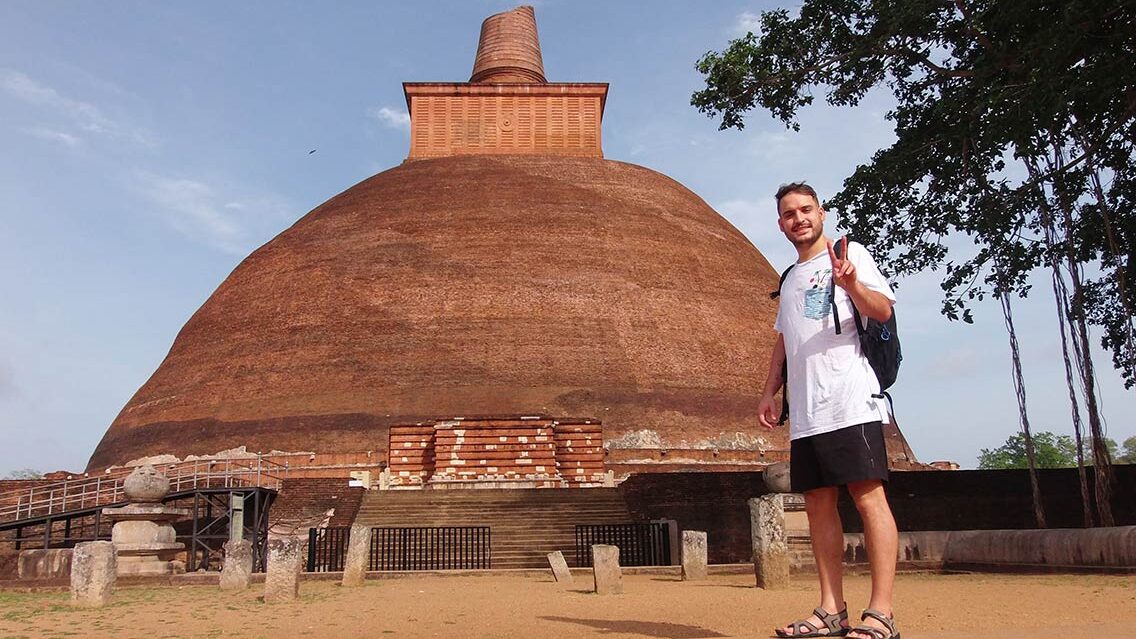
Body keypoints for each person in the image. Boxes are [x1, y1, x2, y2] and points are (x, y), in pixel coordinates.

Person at [758, 183, 900, 639]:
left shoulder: (848, 252)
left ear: (821, 213)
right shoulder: (789, 278)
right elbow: (785, 340)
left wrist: (851, 282)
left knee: (867, 496)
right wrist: (769, 392)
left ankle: (881, 614)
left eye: (805, 210)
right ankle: (830, 609)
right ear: (780, 224)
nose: (798, 219)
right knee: (818, 505)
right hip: (806, 410)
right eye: (788, 214)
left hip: (850, 398)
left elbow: (881, 311)